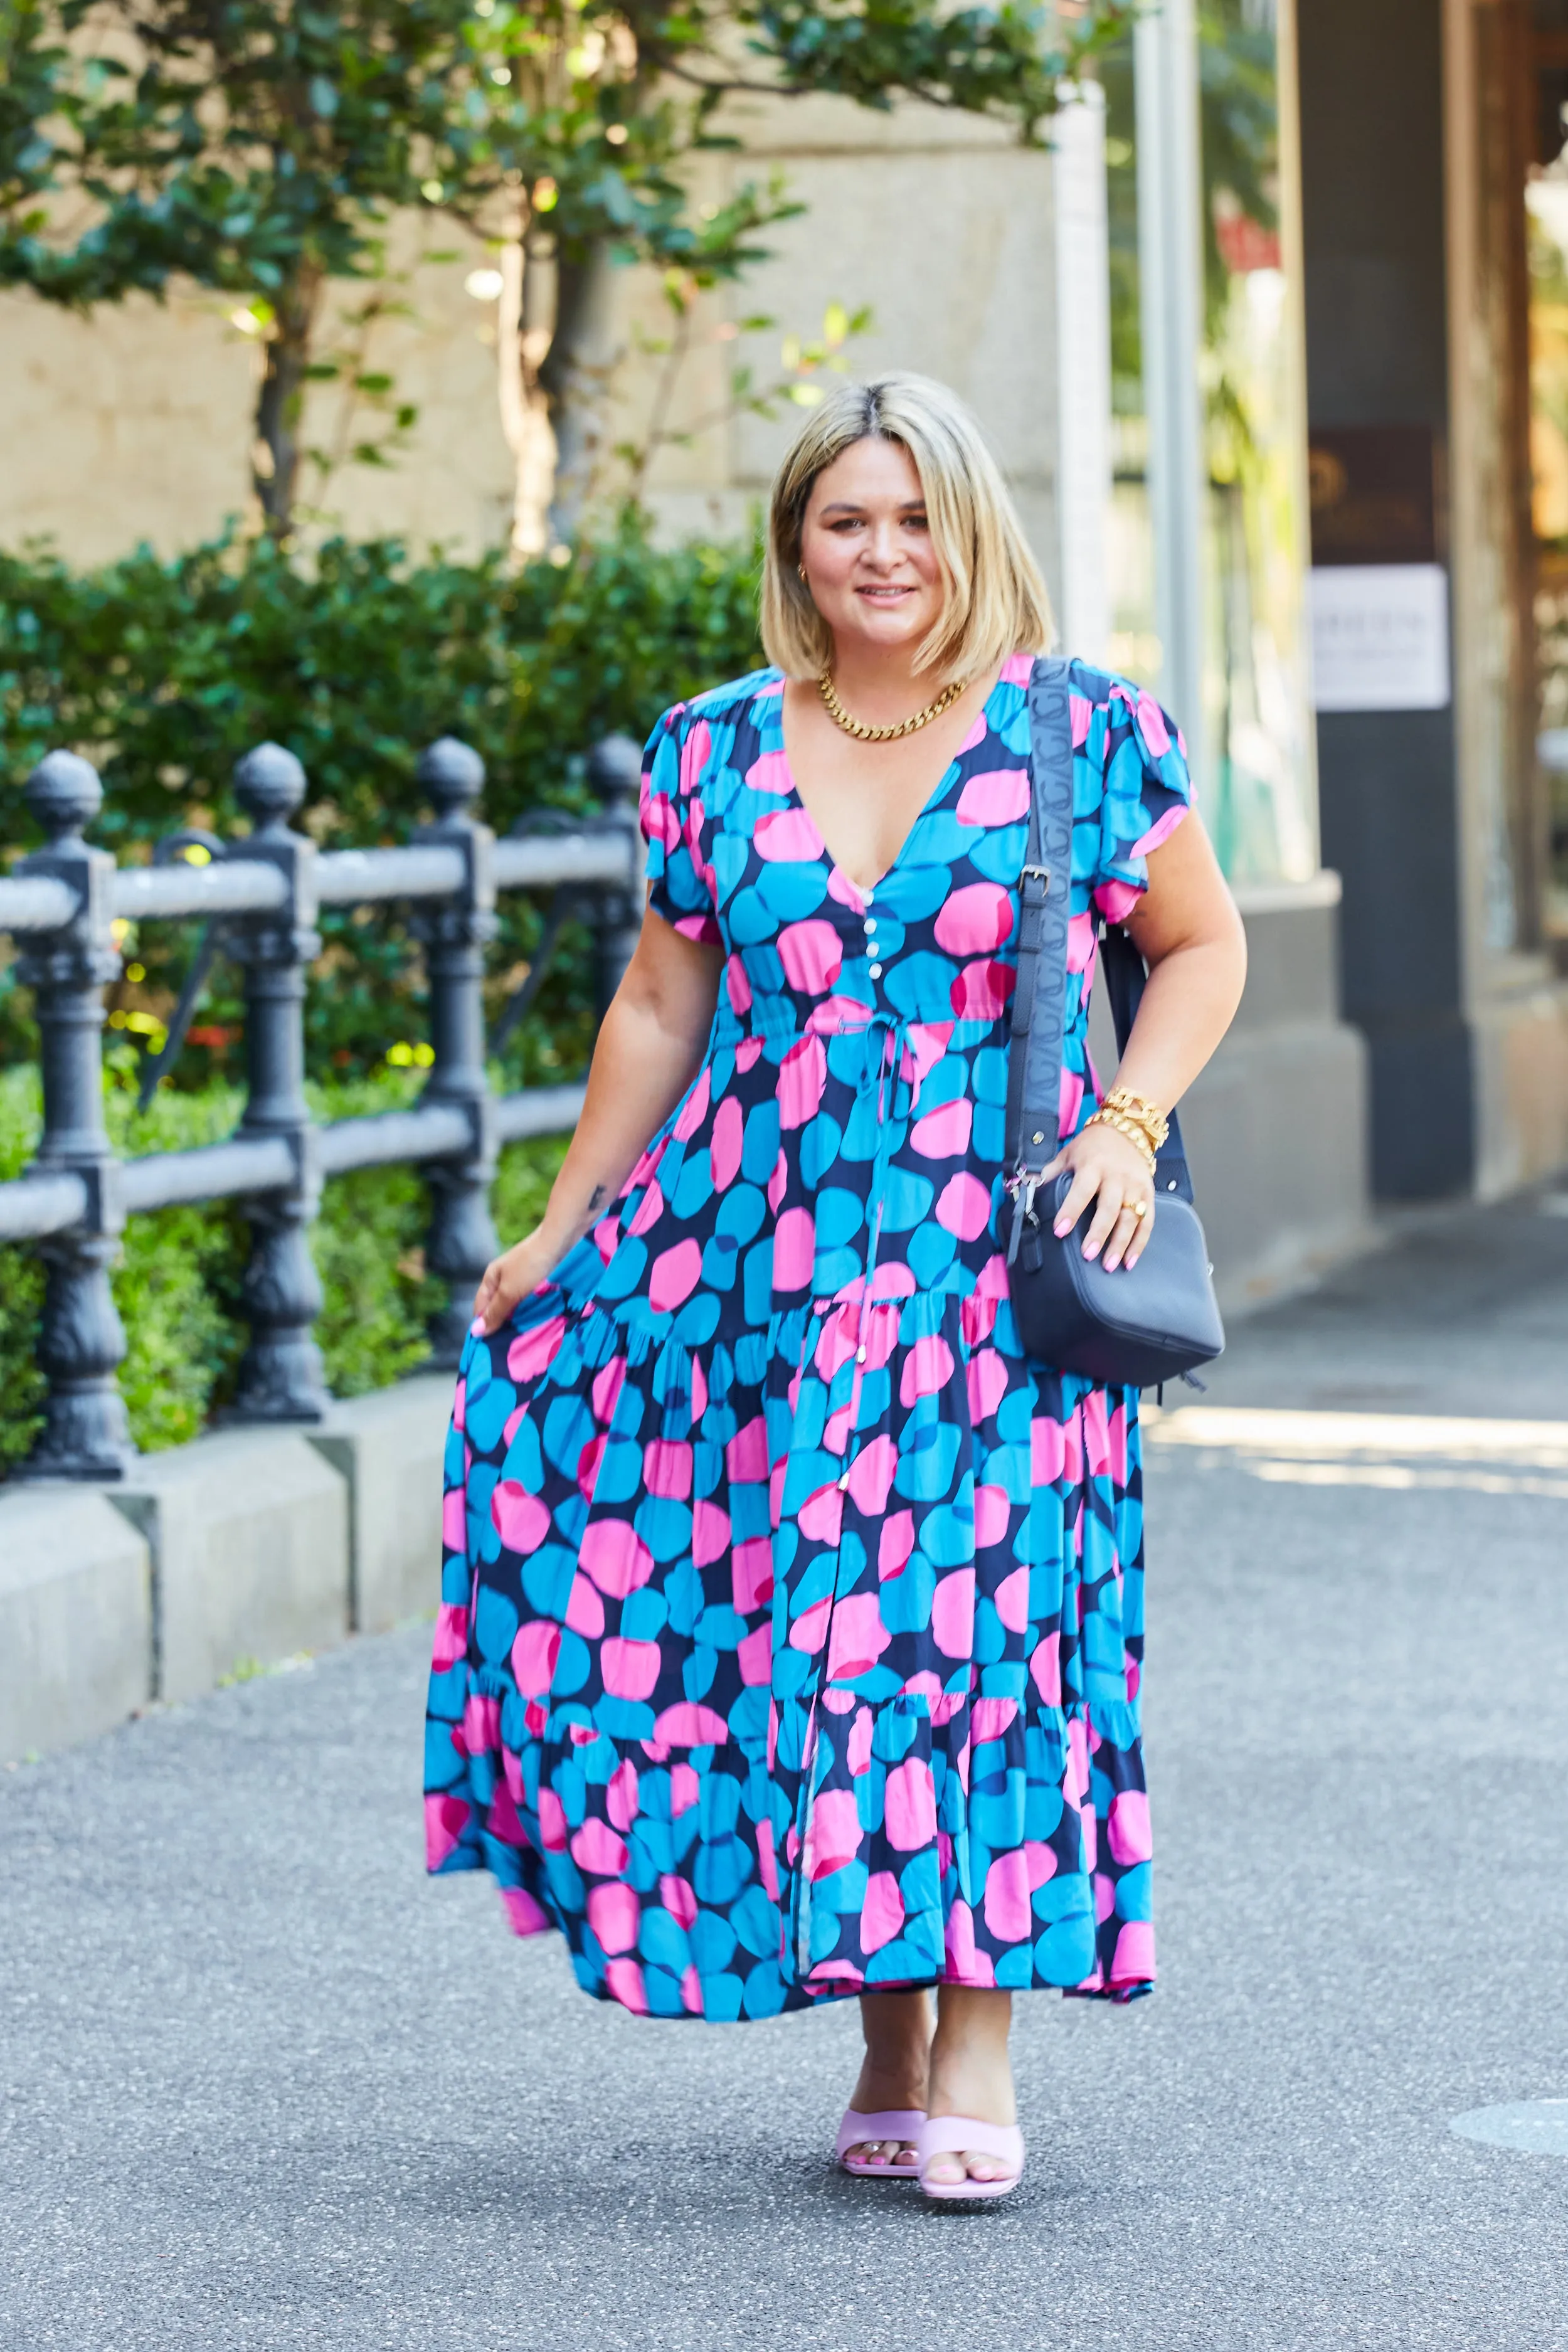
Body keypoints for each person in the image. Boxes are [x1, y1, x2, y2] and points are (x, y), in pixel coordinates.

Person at [425, 373, 1247, 2201]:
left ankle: (978, 2042)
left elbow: (1197, 946)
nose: (885, 553)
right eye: (846, 521)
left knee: (981, 1647)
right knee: (827, 1647)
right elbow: (660, 1003)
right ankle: (883, 2031)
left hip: (1001, 1275)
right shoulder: (712, 747)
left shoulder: (1079, 732)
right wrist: (563, 1226)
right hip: (769, 1272)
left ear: (970, 527)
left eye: (914, 516)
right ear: (797, 544)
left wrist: (1126, 1119)